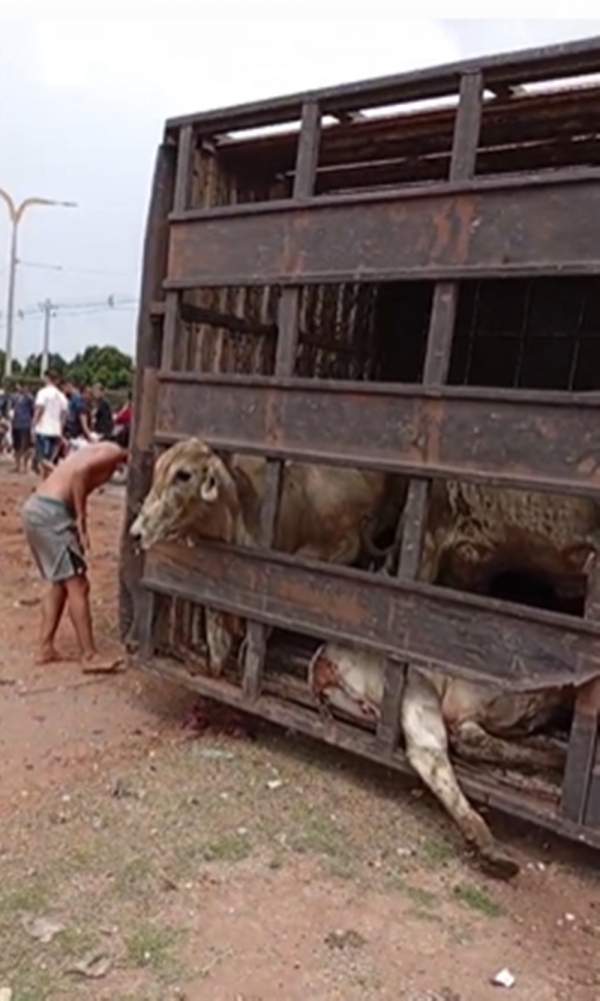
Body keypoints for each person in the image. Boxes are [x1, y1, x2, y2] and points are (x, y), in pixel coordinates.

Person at [21, 441, 128, 670]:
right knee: (78, 585)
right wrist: (81, 519)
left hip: (38, 509)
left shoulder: (96, 449)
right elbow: (79, 474)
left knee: (60, 583)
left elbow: (68, 474)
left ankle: (45, 647)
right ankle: (89, 656)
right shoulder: (114, 452)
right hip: (52, 514)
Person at [32, 370, 68, 477]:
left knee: (42, 459)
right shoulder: (62, 396)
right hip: (56, 430)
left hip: (43, 429)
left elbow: (39, 410)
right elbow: (63, 416)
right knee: (49, 460)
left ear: (47, 378)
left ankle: (61, 473)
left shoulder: (42, 393)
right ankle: (46, 483)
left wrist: (33, 426)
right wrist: (61, 431)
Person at [11, 381, 35, 473]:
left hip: (25, 423)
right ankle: (17, 465)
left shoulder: (29, 398)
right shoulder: (16, 397)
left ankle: (25, 466)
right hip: (16, 423)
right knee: (16, 445)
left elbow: (33, 410)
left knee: (25, 446)